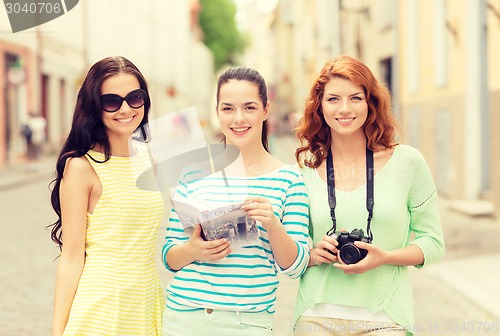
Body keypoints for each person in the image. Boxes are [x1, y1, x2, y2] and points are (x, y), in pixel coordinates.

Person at [292, 55, 445, 335]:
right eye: (333, 99)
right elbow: (290, 251)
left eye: (355, 98)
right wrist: (314, 254)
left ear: (370, 102)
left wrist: (384, 256)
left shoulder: (407, 162)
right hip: (315, 315)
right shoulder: (305, 169)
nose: (345, 109)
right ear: (320, 106)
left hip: (385, 318)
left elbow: (433, 243)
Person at [162, 67, 310, 336]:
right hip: (184, 317)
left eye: (249, 107)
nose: (238, 118)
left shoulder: (289, 179)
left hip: (248, 323)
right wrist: (194, 250)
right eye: (228, 108)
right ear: (217, 112)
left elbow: (296, 266)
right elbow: (170, 256)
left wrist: (273, 225)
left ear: (266, 110)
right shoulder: (193, 173)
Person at [48, 56, 164, 335]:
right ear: (94, 107)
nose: (126, 108)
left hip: (148, 305)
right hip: (103, 310)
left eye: (135, 97)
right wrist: (57, 330)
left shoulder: (150, 159)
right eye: (111, 101)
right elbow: (72, 257)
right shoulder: (81, 167)